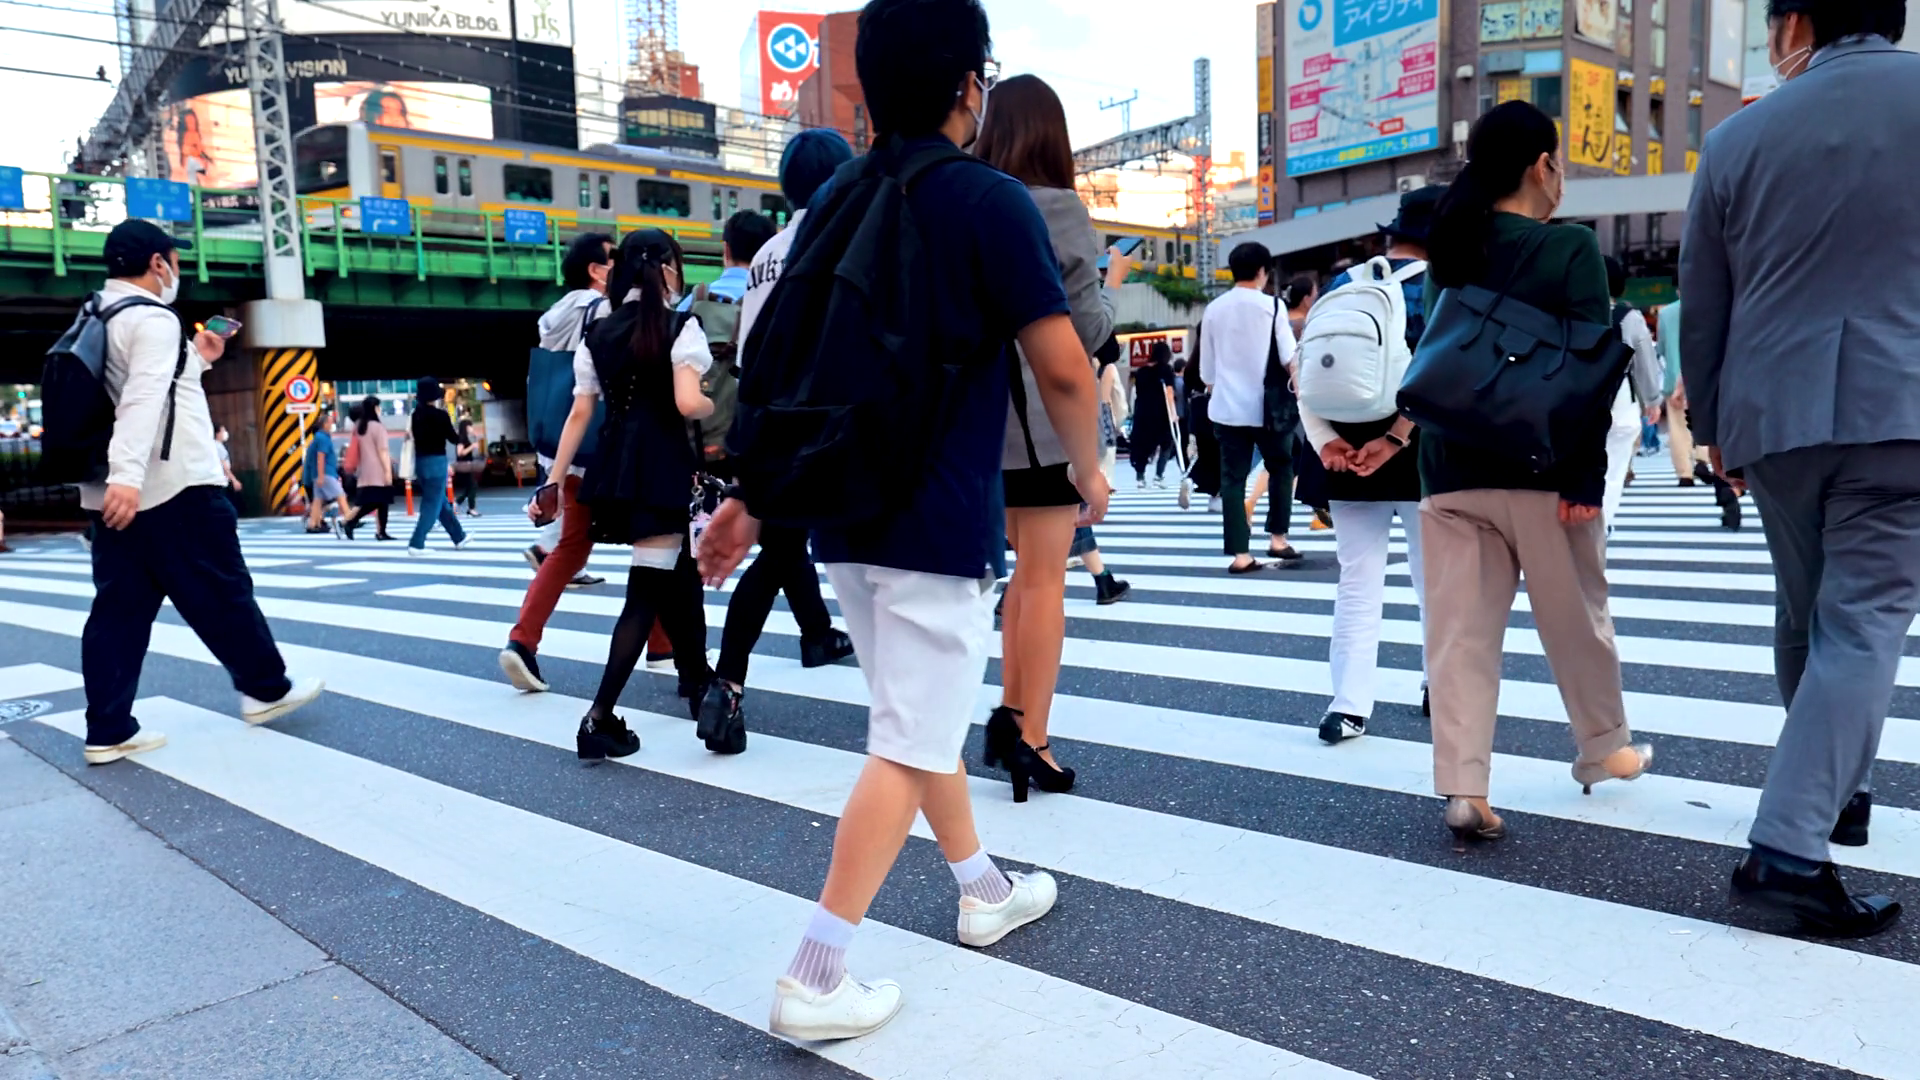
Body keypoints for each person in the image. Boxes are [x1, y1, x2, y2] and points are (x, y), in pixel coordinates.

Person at [697, 0, 1108, 1038]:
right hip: (936, 510)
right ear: (969, 84)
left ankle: (981, 888)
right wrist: (1090, 467)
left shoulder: (833, 199)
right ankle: (816, 973)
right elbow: (1064, 366)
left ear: (869, 90)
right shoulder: (989, 201)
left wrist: (753, 496)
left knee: (916, 721)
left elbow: (787, 363)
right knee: (911, 737)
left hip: (845, 512)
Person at [1681, 0, 1918, 937]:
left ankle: (1833, 790)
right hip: (1900, 402)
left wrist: (1711, 422)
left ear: (1795, 26)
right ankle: (1787, 844)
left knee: (1805, 607)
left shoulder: (1738, 138)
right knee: (1861, 621)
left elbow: (1706, 295)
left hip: (1773, 412)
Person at [1417, 102, 1652, 842]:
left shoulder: (1450, 244)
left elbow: (1441, 356)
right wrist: (1584, 479)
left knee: (1459, 635)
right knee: (1577, 617)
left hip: (1449, 467)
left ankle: (1465, 788)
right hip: (1541, 465)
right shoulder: (1571, 247)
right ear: (1542, 165)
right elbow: (1589, 373)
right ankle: (1602, 746)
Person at [76, 219, 323, 764]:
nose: (177, 270)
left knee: (118, 615)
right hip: (174, 489)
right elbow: (142, 399)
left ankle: (108, 728)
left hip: (117, 499)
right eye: (175, 260)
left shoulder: (98, 312)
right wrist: (127, 478)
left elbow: (149, 385)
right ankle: (265, 689)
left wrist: (199, 354)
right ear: (158, 264)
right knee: (224, 593)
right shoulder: (152, 318)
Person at [974, 72, 1130, 799]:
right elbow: (1087, 329)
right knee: (1043, 579)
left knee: (1019, 580)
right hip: (1039, 422)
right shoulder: (1057, 206)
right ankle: (1030, 737)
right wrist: (1110, 278)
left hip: (977, 423)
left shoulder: (969, 200)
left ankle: (1012, 721)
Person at [695, 142, 859, 742]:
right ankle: (733, 683)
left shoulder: (766, 254)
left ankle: (747, 676)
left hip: (771, 425)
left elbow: (747, 355)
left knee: (782, 550)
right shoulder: (848, 234)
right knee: (796, 556)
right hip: (831, 424)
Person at [565, 228, 717, 755]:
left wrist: (552, 478)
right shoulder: (679, 326)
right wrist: (712, 404)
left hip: (617, 470)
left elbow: (580, 412)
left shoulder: (599, 332)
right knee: (645, 592)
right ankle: (598, 716)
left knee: (677, 578)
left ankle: (699, 681)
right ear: (669, 268)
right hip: (662, 471)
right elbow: (687, 403)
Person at [1301, 185, 1439, 743]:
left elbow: (1305, 371)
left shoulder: (1343, 284)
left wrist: (1325, 441)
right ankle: (1438, 684)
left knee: (1357, 580)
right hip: (1420, 448)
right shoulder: (1440, 286)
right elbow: (1438, 375)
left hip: (1344, 447)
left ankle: (1348, 707)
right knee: (1435, 580)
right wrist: (1396, 438)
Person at [499, 233, 623, 691]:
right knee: (657, 541)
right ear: (596, 269)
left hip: (567, 451)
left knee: (571, 547)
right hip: (605, 443)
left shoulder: (556, 314)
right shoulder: (603, 310)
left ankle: (522, 640)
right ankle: (663, 643)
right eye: (614, 258)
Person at [1199, 242, 1301, 573]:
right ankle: (1278, 539)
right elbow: (1289, 356)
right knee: (1281, 467)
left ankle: (1240, 554)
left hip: (1227, 408)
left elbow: (1207, 370)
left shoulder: (1214, 309)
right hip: (1269, 409)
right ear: (1262, 271)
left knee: (1232, 478)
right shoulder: (1273, 306)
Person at [1600, 256, 1665, 532]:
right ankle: (1601, 525)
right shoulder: (1629, 318)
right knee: (1614, 468)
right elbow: (1645, 363)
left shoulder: (1566, 312)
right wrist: (1652, 400)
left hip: (1572, 401)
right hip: (1618, 398)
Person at [405, 377, 468, 554]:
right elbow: (453, 438)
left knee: (440, 502)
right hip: (437, 462)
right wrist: (462, 435)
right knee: (431, 505)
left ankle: (459, 537)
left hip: (421, 462)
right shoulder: (441, 415)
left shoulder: (415, 415)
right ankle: (416, 543)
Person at [340, 394, 395, 540]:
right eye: (378, 407)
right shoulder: (378, 427)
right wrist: (388, 471)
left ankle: (380, 531)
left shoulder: (359, 427)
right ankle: (352, 522)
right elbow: (383, 451)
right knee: (378, 501)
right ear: (375, 408)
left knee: (378, 501)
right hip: (378, 470)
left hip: (365, 470)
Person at [1127, 341, 1177, 487]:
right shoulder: (1166, 370)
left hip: (1143, 412)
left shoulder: (1141, 372)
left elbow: (1138, 392)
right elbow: (1169, 393)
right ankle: (1159, 475)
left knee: (1143, 443)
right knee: (1166, 443)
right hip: (1161, 412)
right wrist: (1173, 413)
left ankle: (1140, 476)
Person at [302, 403, 348, 535]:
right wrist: (321, 475)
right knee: (340, 495)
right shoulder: (323, 439)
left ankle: (313, 524)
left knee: (317, 500)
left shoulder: (317, 439)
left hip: (316, 475)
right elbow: (321, 457)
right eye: (330, 422)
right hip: (325, 473)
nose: (332, 425)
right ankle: (349, 519)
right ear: (325, 424)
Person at [453, 418, 483, 516]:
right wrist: (472, 447)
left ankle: (456, 503)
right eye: (470, 426)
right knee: (472, 486)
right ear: (466, 427)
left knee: (470, 487)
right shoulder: (461, 438)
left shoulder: (466, 438)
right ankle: (471, 509)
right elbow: (460, 453)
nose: (472, 428)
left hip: (468, 465)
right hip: (464, 466)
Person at [213, 422, 243, 514]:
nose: (225, 433)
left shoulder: (216, 446)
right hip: (221, 480)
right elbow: (223, 465)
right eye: (223, 431)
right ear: (217, 434)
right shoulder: (218, 447)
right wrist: (234, 480)